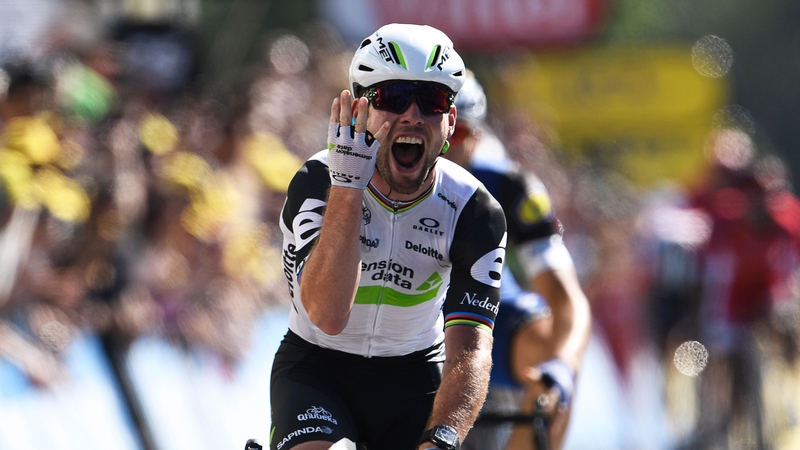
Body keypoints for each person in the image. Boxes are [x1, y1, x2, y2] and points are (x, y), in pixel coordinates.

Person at [270, 24, 507, 450]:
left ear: (451, 121)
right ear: (360, 112)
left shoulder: (475, 210)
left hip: (415, 378)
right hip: (318, 369)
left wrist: (444, 438)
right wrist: (348, 186)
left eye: (432, 101)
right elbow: (326, 315)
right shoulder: (317, 180)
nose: (412, 115)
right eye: (393, 97)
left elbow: (470, 351)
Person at [446, 72, 591, 450]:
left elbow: (567, 301)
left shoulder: (511, 187)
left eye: (455, 134)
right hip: (403, 319)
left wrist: (561, 368)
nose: (439, 149)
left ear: (476, 138)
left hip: (486, 313)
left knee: (553, 349)